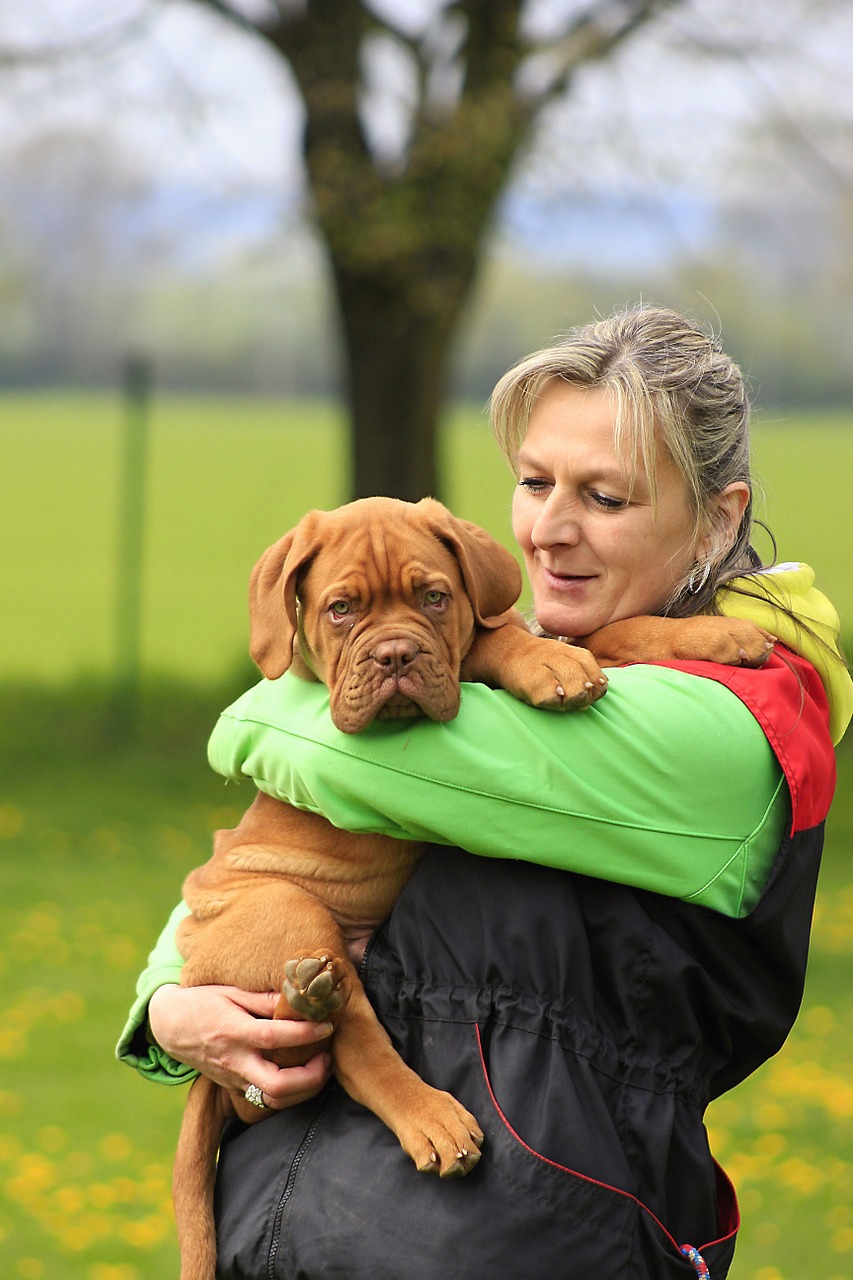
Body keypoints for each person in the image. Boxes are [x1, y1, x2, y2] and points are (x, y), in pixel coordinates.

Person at [118, 305, 851, 1279]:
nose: (551, 527)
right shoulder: (559, 658)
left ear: (717, 515)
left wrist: (256, 707)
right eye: (534, 481)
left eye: (605, 495)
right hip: (301, 1220)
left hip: (502, 1235)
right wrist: (169, 1008)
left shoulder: (732, 727)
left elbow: (348, 762)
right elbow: (260, 874)